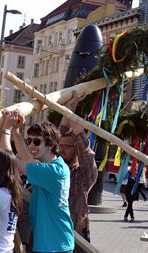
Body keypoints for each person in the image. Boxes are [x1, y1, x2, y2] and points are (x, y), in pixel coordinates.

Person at [0, 109, 74, 253]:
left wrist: (6, 130)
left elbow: (10, 160)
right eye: (29, 141)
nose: (31, 145)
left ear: (51, 144)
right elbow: (27, 158)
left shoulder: (53, 172)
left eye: (36, 141)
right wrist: (15, 130)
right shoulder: (55, 166)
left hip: (53, 246)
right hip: (55, 243)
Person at [59, 92, 98, 246]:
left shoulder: (84, 175)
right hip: (53, 233)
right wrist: (69, 108)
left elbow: (85, 151)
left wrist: (71, 114)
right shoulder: (56, 168)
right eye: (60, 146)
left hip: (76, 236)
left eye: (66, 146)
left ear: (76, 149)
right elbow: (58, 135)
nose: (61, 150)